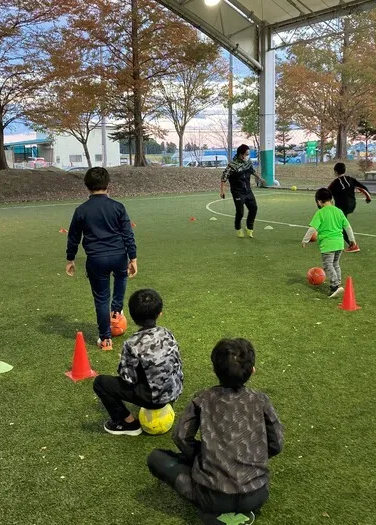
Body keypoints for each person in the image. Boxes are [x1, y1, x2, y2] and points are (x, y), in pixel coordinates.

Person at [147, 338, 283, 525]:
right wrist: (251, 455)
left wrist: (204, 455)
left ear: (214, 370)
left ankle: (215, 515)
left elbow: (180, 436)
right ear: (252, 370)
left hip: (212, 496)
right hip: (256, 493)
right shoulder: (261, 400)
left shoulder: (202, 399)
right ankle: (241, 513)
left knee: (156, 458)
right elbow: (277, 444)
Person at [65, 167, 137, 351]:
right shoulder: (118, 207)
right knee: (121, 277)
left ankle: (105, 339)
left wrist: (70, 259)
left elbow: (73, 236)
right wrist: (133, 257)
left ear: (87, 186)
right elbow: (128, 233)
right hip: (118, 255)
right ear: (108, 185)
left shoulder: (81, 210)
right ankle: (116, 310)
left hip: (96, 259)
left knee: (101, 299)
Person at [93, 289, 183, 436]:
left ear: (132, 317)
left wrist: (123, 362)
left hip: (153, 398)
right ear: (160, 313)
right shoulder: (167, 333)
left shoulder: (133, 343)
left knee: (100, 383)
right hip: (173, 392)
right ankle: (167, 403)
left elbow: (128, 378)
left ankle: (127, 423)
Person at [302, 187, 357, 298]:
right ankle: (338, 283)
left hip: (328, 245)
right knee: (335, 264)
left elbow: (313, 228)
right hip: (339, 244)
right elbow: (348, 227)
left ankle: (335, 286)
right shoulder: (338, 211)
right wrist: (352, 240)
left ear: (318, 201)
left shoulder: (320, 213)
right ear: (331, 199)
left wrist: (305, 240)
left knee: (328, 265)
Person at [220, 144, 265, 238]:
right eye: (246, 154)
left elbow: (252, 171)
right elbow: (224, 178)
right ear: (241, 154)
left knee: (254, 208)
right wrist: (222, 191)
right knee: (240, 212)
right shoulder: (232, 166)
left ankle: (249, 228)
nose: (248, 155)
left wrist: (260, 178)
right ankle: (238, 228)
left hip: (248, 191)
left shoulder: (248, 162)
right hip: (237, 192)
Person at [327, 162, 371, 252]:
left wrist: (323, 207)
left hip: (342, 206)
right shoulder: (350, 179)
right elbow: (362, 187)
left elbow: (326, 195)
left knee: (340, 226)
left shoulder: (334, 183)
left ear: (335, 172)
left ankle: (353, 245)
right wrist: (368, 197)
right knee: (341, 222)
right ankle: (337, 238)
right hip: (352, 204)